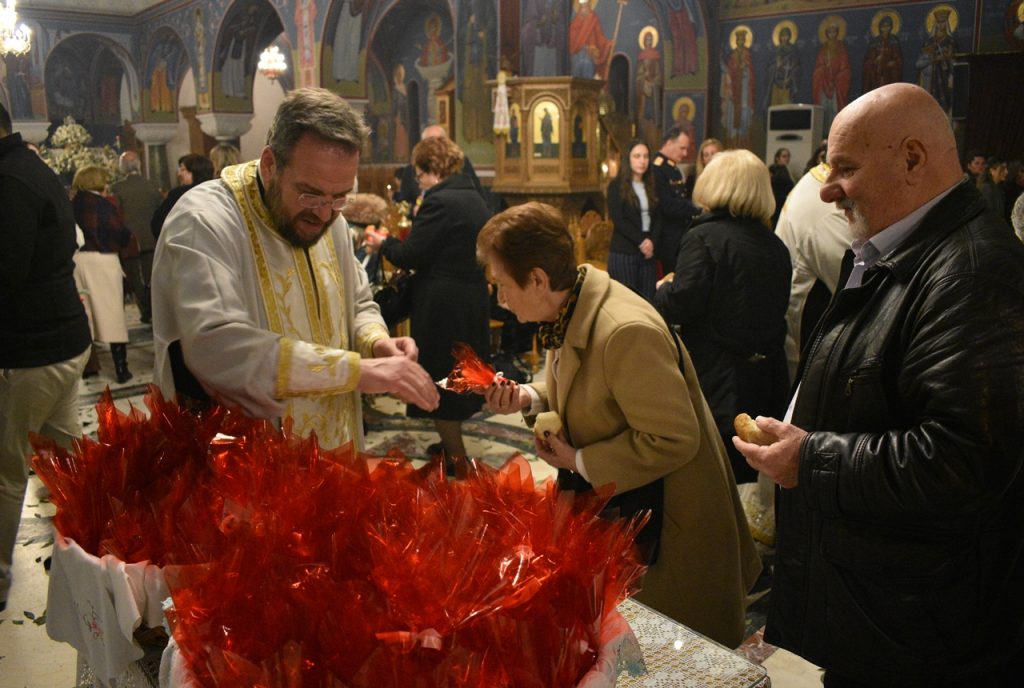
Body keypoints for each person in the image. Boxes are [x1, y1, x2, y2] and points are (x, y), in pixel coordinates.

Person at [733, 83, 1024, 686]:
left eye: (844, 168)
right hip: (873, 607)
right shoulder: (899, 250)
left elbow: (962, 460)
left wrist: (808, 458)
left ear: (912, 159)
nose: (826, 187)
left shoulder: (971, 271)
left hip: (916, 631)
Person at [477, 202, 760, 646]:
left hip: (672, 524)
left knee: (671, 657)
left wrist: (580, 460)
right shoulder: (571, 309)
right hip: (637, 508)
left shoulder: (624, 330)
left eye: (502, 286)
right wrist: (528, 396)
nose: (500, 300)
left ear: (537, 279)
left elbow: (673, 438)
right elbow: (593, 391)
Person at [151, 87, 438, 451]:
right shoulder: (205, 220)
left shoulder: (329, 218)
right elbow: (217, 344)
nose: (323, 212)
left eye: (339, 196)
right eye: (310, 193)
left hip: (337, 442)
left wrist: (377, 342)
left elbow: (358, 302)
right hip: (252, 464)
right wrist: (356, 372)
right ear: (270, 164)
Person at [0, 105, 91, 613]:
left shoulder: (11, 181)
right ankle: (96, 540)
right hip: (63, 339)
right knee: (68, 453)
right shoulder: (35, 169)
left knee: (7, 468)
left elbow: (6, 270)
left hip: (32, 347)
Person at [654, 150, 791, 484]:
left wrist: (663, 289)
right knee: (751, 471)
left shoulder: (704, 237)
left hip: (717, 378)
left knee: (712, 478)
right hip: (767, 378)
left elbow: (683, 302)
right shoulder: (774, 245)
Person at [365, 136, 491, 460]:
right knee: (459, 378)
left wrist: (384, 243)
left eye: (419, 176)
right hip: (469, 297)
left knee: (441, 383)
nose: (419, 183)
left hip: (443, 306)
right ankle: (451, 448)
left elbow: (411, 254)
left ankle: (456, 458)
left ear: (432, 169)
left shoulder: (440, 201)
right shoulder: (474, 196)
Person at [774, 160, 849, 383]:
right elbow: (863, 291)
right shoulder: (824, 208)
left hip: (809, 346)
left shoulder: (816, 186)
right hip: (808, 350)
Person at [71, 165, 135, 384]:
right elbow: (119, 231)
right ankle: (121, 368)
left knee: (85, 314)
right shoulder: (103, 205)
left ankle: (89, 366)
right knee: (113, 315)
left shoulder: (72, 203)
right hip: (103, 261)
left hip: (78, 261)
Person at [110, 150, 163, 324]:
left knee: (136, 280)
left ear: (122, 167)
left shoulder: (117, 188)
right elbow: (160, 210)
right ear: (139, 165)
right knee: (152, 277)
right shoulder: (152, 185)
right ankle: (156, 311)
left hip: (131, 241)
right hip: (152, 238)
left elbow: (115, 215)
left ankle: (145, 311)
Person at [607, 139, 660, 301]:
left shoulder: (652, 185)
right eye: (637, 156)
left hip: (648, 254)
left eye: (645, 156)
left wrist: (652, 242)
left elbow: (659, 218)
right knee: (627, 303)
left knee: (648, 303)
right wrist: (642, 241)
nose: (642, 161)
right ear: (628, 159)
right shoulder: (616, 186)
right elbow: (619, 220)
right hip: (625, 251)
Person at [393, 124, 484, 206]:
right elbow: (403, 204)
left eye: (439, 144)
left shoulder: (461, 165)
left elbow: (479, 197)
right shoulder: (411, 170)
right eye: (430, 144)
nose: (436, 149)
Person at [651, 127, 699, 271]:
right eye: (682, 148)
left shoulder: (672, 167)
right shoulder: (657, 168)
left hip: (678, 234)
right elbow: (666, 205)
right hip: (667, 238)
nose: (685, 154)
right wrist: (696, 208)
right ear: (669, 143)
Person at [150, 153, 214, 241]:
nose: (179, 173)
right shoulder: (215, 191)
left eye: (183, 169)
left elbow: (158, 224)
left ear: (195, 171)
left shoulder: (178, 194)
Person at [768, 148, 795, 228]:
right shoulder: (779, 171)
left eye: (788, 156)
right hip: (779, 203)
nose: (787, 159)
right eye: (784, 156)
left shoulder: (782, 170)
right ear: (777, 158)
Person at [978, 155, 1008, 220]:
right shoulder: (986, 189)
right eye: (1002, 169)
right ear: (992, 170)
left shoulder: (999, 189)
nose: (1006, 172)